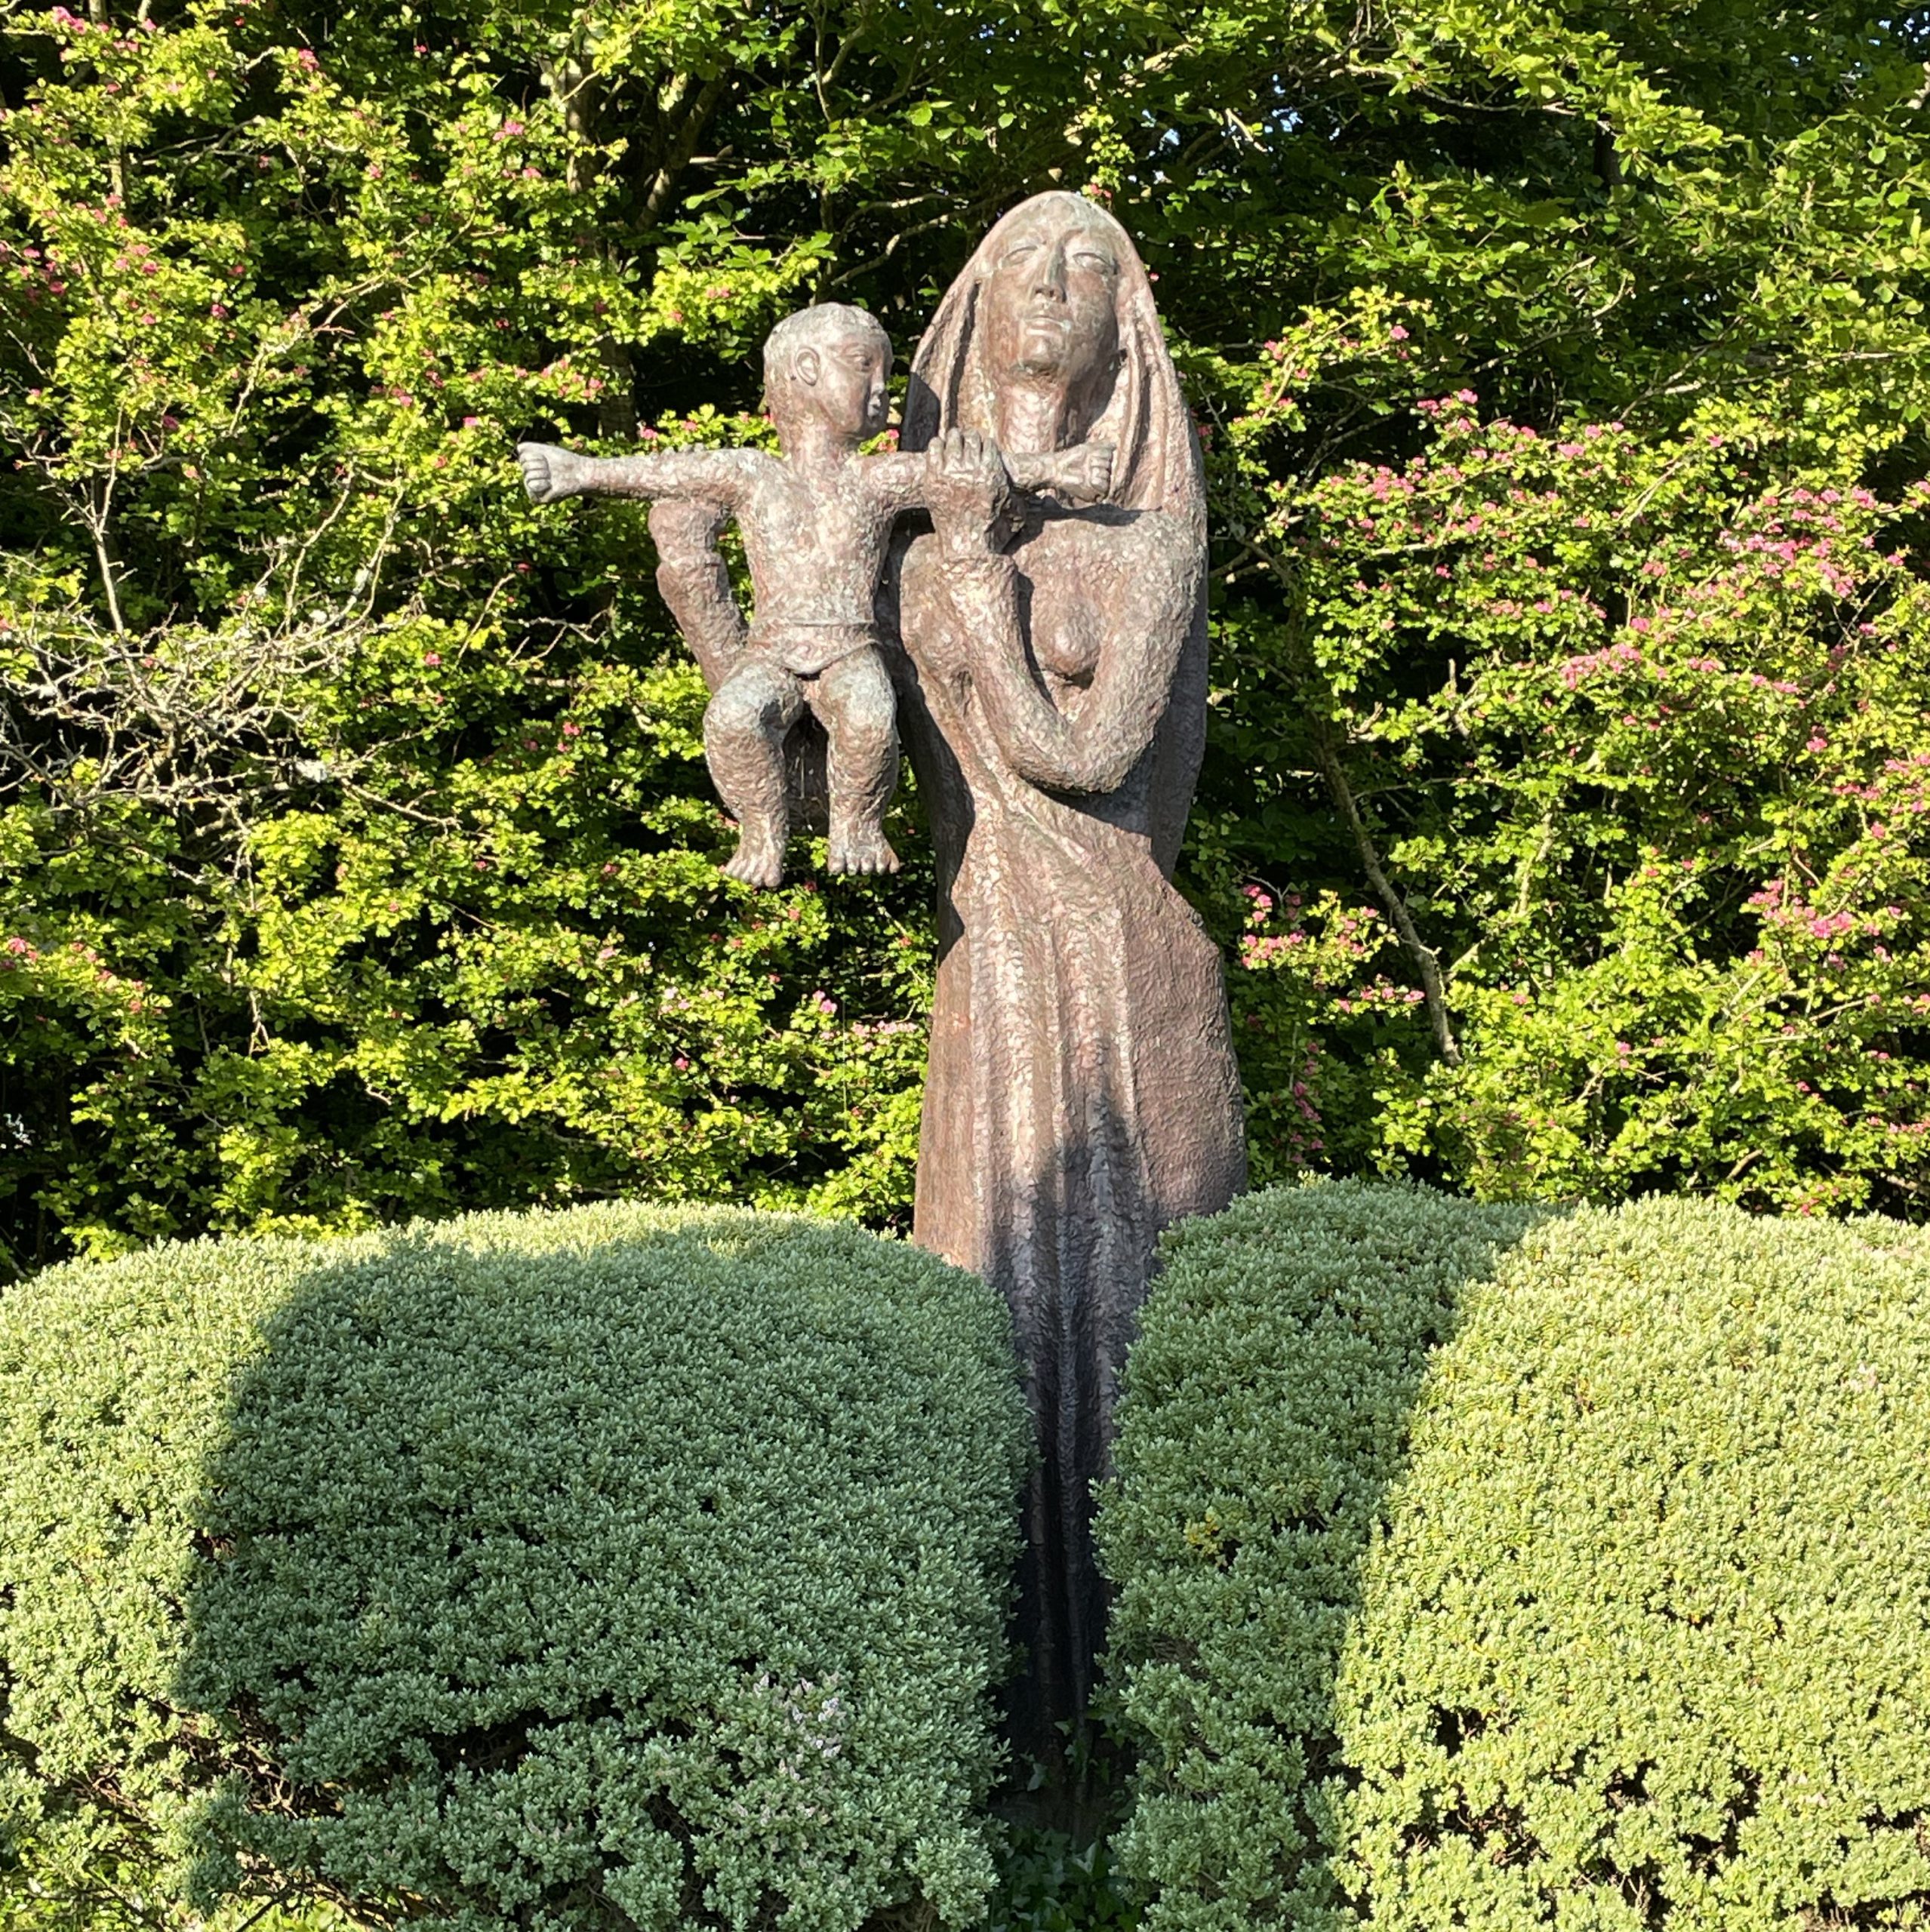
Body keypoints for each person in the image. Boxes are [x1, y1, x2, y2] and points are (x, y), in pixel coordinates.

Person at [890, 193, 1247, 1770]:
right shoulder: (919, 518)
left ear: (1132, 323)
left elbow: (1091, 756)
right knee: (978, 1300)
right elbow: (863, 739)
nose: (1052, 280)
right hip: (995, 962)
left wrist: (972, 573)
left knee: (1138, 1316)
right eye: (1021, 260)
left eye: (1089, 259)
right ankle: (989, 1719)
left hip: (1117, 954)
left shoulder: (1151, 532)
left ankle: (1171, 1722)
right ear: (972, 313)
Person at [517, 303, 1110, 888]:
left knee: (871, 718)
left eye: (885, 374)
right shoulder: (750, 474)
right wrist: (580, 472)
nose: (881, 390)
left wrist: (1057, 468)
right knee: (730, 720)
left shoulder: (874, 478)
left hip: (848, 647)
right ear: (805, 369)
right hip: (771, 653)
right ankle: (760, 830)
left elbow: (960, 474)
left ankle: (855, 826)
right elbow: (666, 475)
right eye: (863, 367)